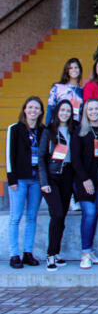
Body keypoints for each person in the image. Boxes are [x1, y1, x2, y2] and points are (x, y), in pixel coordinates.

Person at [6, 96, 45, 269]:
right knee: (15, 217)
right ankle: (14, 254)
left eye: (37, 108)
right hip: (19, 180)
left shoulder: (43, 130)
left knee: (31, 217)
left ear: (41, 112)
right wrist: (11, 178)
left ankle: (28, 253)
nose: (33, 111)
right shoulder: (14, 129)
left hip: (36, 179)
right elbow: (9, 155)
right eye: (30, 107)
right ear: (24, 109)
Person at [71, 98, 98, 269]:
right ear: (85, 111)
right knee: (90, 213)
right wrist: (85, 179)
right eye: (90, 109)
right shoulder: (79, 131)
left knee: (96, 213)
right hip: (85, 179)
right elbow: (75, 159)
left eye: (97, 109)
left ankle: (90, 250)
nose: (94, 112)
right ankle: (85, 253)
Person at [39, 100, 76, 271]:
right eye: (62, 110)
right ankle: (50, 254)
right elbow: (41, 158)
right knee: (57, 214)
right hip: (52, 177)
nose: (65, 113)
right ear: (57, 112)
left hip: (67, 175)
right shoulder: (48, 131)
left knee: (62, 216)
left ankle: (57, 252)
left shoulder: (73, 130)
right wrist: (44, 182)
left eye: (68, 110)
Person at [46, 58, 84, 125]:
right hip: (58, 125)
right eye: (71, 68)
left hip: (76, 127)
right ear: (67, 70)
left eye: (76, 67)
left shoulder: (82, 90)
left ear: (80, 70)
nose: (74, 70)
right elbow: (50, 108)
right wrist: (48, 126)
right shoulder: (57, 87)